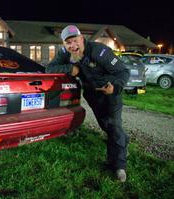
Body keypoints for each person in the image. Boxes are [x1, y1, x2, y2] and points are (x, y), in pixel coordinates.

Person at [46, 25, 130, 182]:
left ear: (82, 38)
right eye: (68, 43)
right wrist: (71, 69)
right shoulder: (65, 53)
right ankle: (123, 143)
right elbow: (49, 69)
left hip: (111, 92)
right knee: (106, 126)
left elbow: (124, 71)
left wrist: (115, 87)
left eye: (75, 41)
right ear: (64, 44)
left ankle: (119, 167)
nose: (73, 46)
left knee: (114, 126)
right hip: (92, 95)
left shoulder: (100, 51)